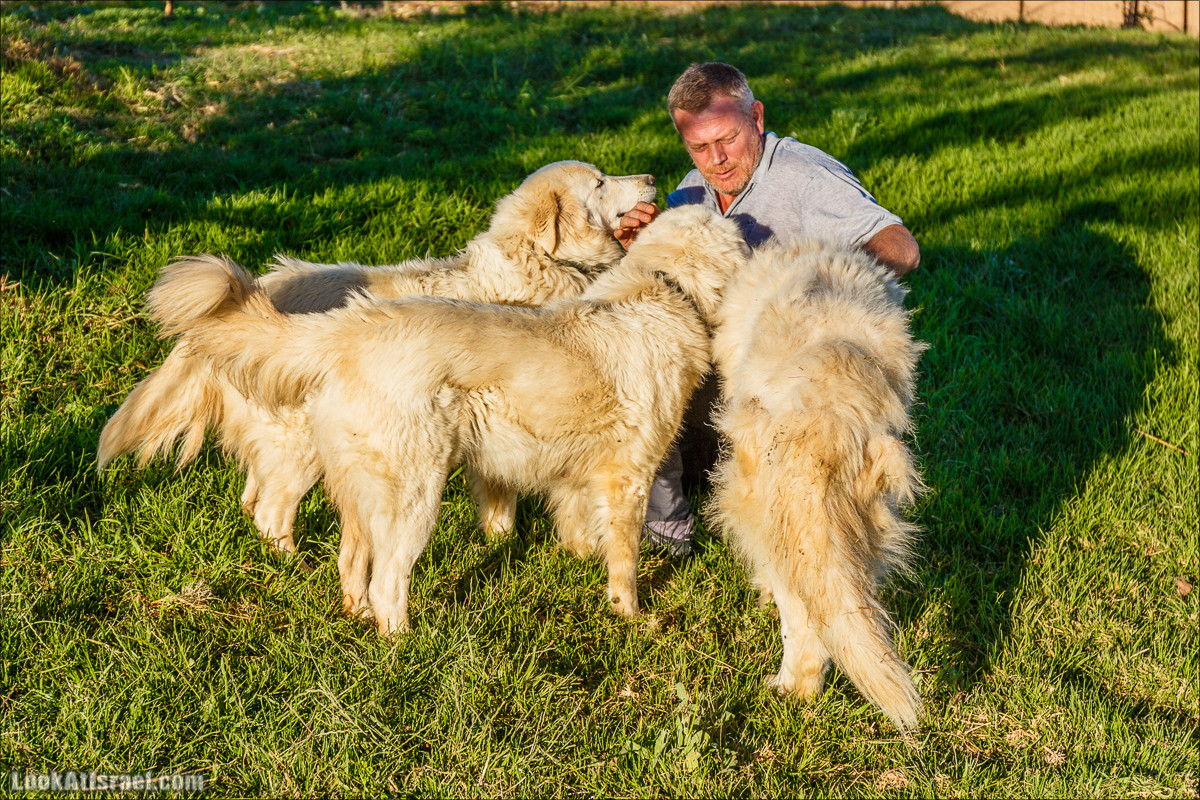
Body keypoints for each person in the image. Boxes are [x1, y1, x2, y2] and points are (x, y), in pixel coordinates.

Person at [615, 62, 920, 558]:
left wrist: (802, 292)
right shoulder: (695, 187)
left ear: (756, 117)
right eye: (698, 146)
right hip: (719, 378)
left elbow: (901, 248)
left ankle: (687, 502)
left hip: (787, 383)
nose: (716, 159)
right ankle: (667, 522)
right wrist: (641, 245)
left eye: (728, 139)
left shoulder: (804, 176)